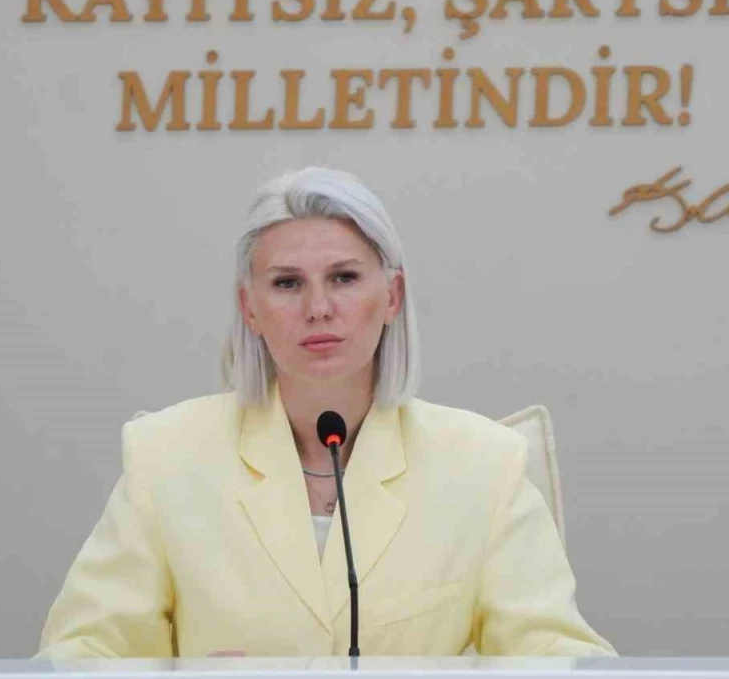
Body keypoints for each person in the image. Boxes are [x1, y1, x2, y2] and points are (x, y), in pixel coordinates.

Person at [36, 167, 616, 658]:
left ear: (391, 297)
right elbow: (81, 653)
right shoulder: (165, 455)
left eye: (344, 278)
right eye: (288, 283)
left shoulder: (485, 463)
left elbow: (558, 658)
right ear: (250, 308)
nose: (318, 308)